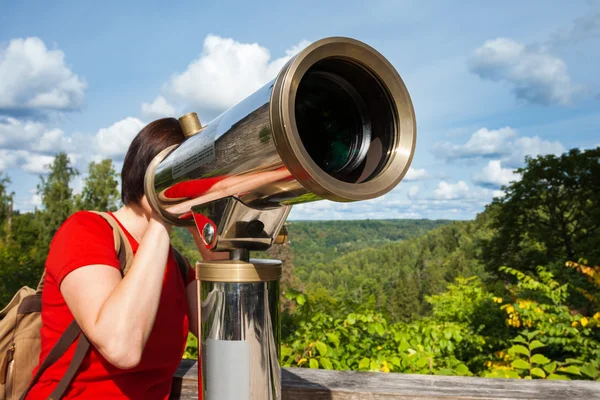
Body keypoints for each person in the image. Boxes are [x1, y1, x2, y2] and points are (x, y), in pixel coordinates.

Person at [26, 118, 216, 399]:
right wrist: (163, 214)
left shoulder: (176, 265)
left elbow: (227, 336)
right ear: (146, 171)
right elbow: (121, 347)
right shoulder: (85, 231)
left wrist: (209, 212)